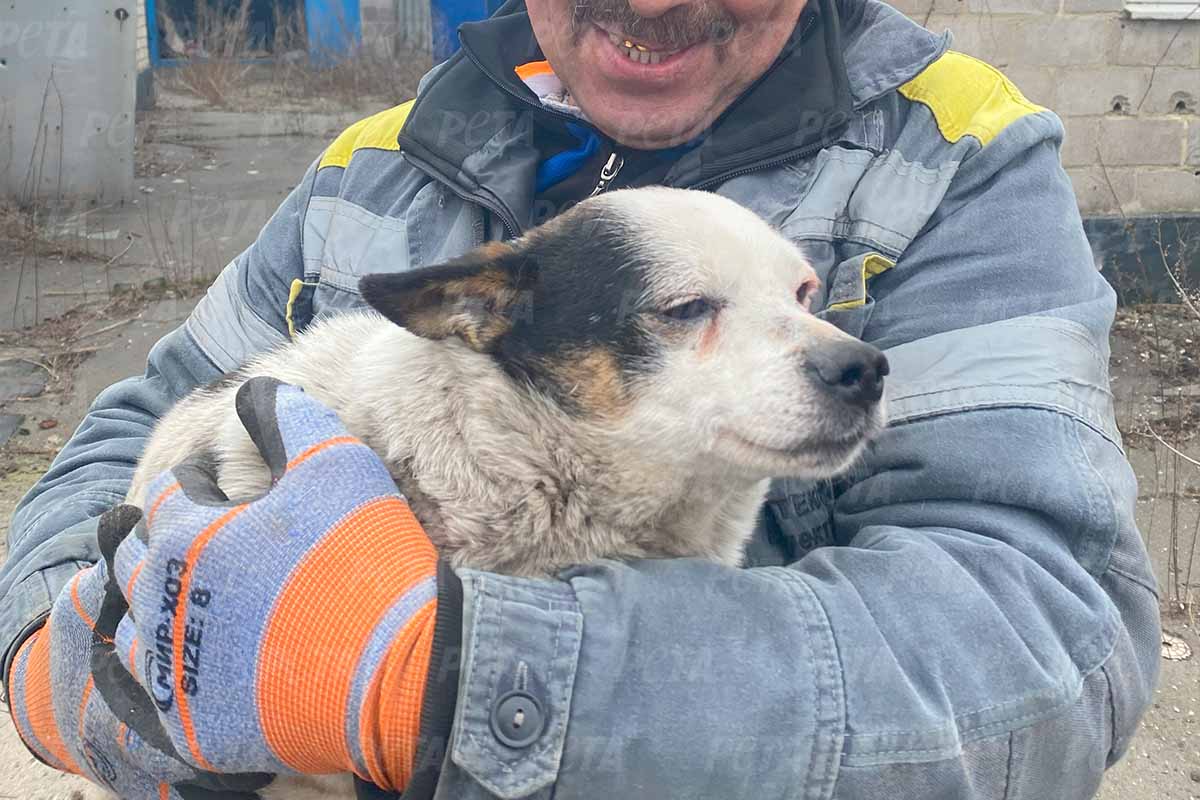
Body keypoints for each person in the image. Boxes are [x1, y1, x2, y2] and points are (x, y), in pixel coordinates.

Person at [0, 0, 1161, 795]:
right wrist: (51, 658)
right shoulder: (376, 164)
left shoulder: (956, 155)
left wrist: (453, 673)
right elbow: (123, 429)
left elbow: (1042, 650)